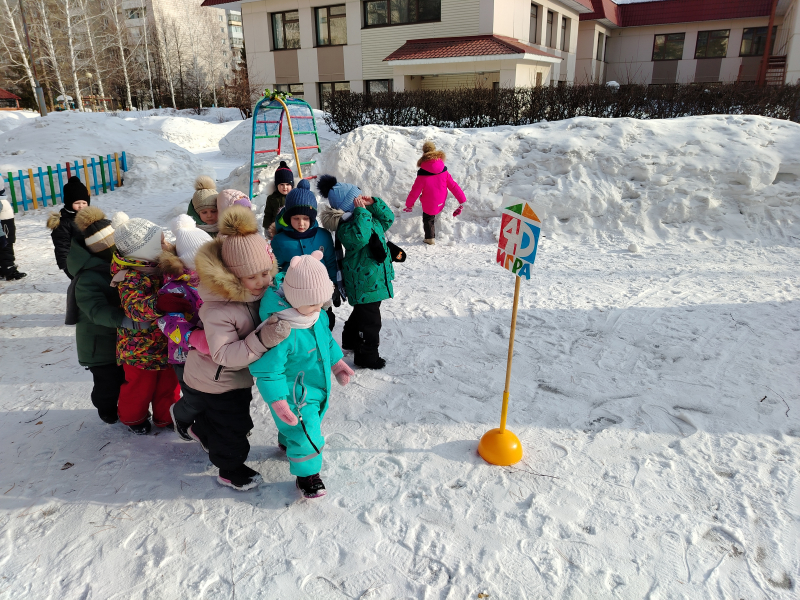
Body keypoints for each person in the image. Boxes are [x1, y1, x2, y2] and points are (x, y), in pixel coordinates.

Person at [179, 205, 290, 491]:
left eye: (266, 273)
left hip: (235, 376)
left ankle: (201, 428)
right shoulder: (219, 309)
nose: (262, 282)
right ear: (232, 277)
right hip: (217, 380)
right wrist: (262, 339)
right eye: (252, 277)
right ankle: (230, 469)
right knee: (233, 428)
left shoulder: (259, 293)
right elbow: (224, 355)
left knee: (233, 420)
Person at [250, 251, 353, 498]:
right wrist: (278, 400)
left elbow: (326, 341)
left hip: (316, 387)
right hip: (294, 395)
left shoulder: (315, 315)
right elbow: (268, 369)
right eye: (313, 304)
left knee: (301, 427)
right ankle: (308, 476)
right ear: (294, 298)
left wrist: (337, 363)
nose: (318, 309)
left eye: (321, 303)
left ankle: (288, 440)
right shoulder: (281, 328)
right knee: (308, 434)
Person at [110, 213, 181, 435]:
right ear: (144, 249)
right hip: (138, 347)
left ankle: (166, 416)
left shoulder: (160, 267)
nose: (167, 245)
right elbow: (134, 307)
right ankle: (133, 418)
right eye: (161, 242)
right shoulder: (129, 276)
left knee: (169, 382)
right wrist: (159, 303)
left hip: (166, 341)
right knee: (139, 387)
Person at [66, 206, 136, 424]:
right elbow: (96, 310)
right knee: (108, 383)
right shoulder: (87, 278)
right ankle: (105, 408)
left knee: (125, 378)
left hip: (120, 338)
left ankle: (127, 409)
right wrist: (123, 319)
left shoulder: (120, 268)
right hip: (99, 345)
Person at [317, 175, 395, 370]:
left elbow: (388, 219)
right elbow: (360, 237)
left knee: (364, 311)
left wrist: (374, 203)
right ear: (349, 205)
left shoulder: (369, 218)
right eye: (357, 198)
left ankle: (350, 339)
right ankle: (366, 356)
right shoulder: (346, 227)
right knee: (371, 321)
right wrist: (362, 212)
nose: (361, 199)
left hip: (375, 279)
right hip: (363, 282)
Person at [155, 215, 211, 440]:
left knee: (211, 394)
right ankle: (180, 416)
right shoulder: (174, 288)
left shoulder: (215, 280)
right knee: (194, 398)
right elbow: (167, 322)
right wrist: (191, 336)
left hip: (211, 351)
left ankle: (211, 426)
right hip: (184, 355)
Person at [270, 179, 338, 330]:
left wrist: (334, 285)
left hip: (320, 295)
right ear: (288, 218)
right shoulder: (280, 241)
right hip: (295, 298)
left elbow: (330, 262)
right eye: (296, 218)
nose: (301, 223)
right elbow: (276, 269)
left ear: (312, 218)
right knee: (301, 329)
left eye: (306, 218)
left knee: (325, 324)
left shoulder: (323, 236)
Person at [403, 140, 467, 245]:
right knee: (434, 209)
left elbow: (415, 191)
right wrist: (462, 199)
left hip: (429, 201)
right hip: (441, 200)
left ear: (424, 153)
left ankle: (429, 238)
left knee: (428, 218)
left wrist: (409, 205)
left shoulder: (422, 174)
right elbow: (453, 186)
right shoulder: (444, 170)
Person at [47, 176, 90, 278]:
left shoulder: (90, 217)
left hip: (91, 259)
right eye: (77, 203)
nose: (81, 206)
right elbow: (62, 245)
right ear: (69, 203)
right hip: (74, 262)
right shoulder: (63, 223)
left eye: (84, 203)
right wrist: (65, 265)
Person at [0, 178, 25, 281]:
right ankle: (9, 269)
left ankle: (4, 268)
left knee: (6, 247)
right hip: (4, 228)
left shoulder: (2, 199)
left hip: (6, 225)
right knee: (6, 247)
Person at [263, 161, 294, 236]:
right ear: (277, 185)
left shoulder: (295, 197)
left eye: (288, 184)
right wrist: (267, 227)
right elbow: (268, 214)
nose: (285, 187)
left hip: (292, 228)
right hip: (276, 229)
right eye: (281, 184)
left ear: (292, 185)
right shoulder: (272, 198)